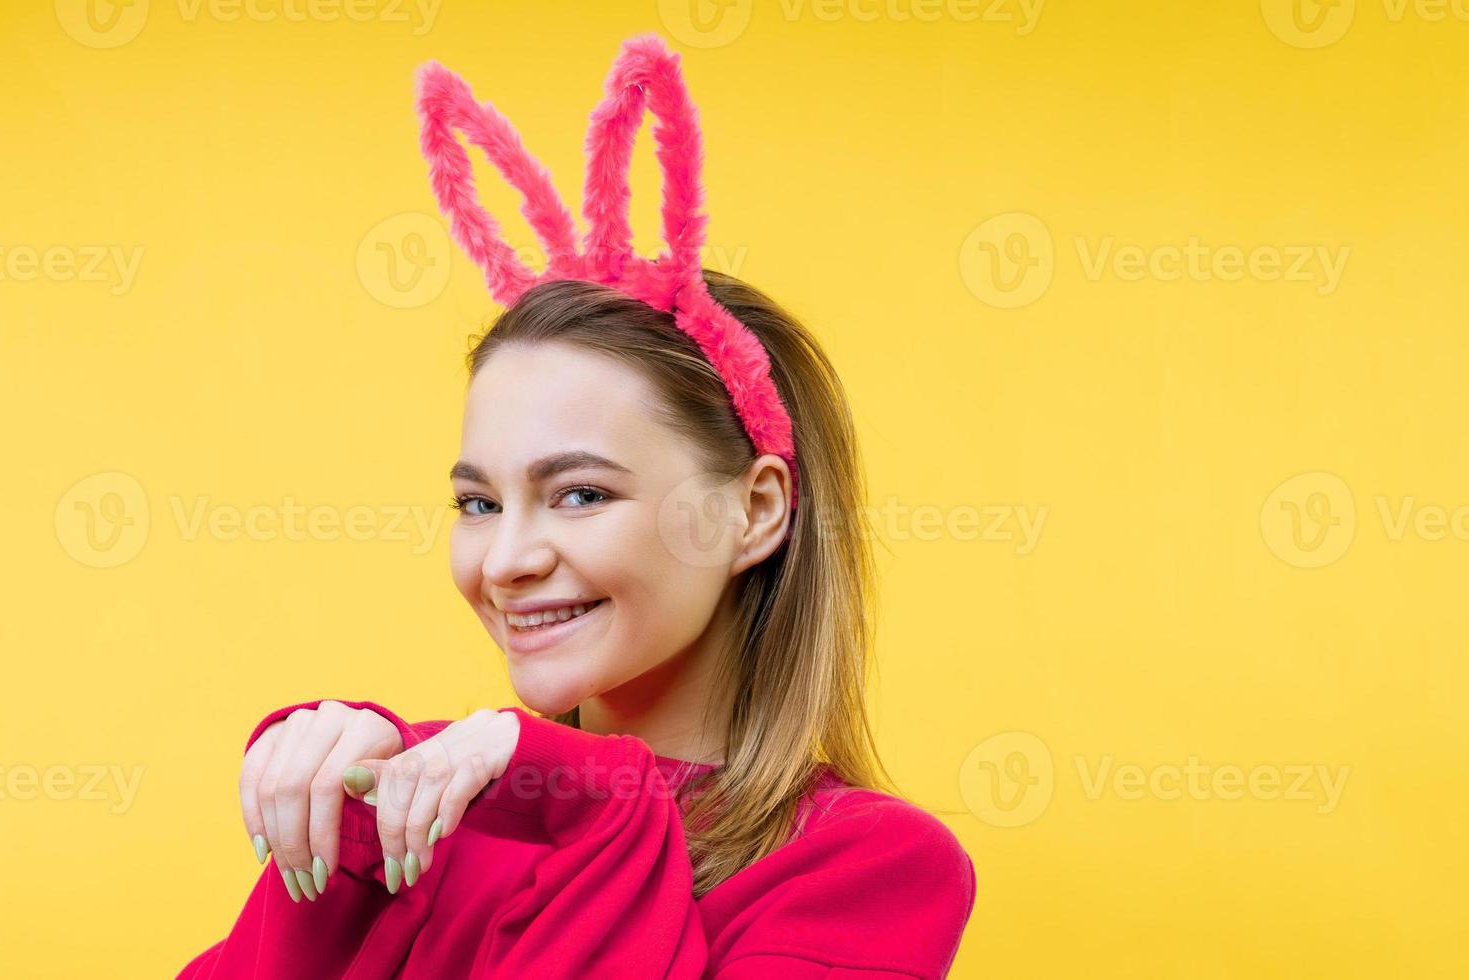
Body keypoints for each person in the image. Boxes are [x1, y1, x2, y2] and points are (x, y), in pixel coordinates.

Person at [180, 36, 975, 980]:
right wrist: (338, 833)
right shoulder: (428, 805)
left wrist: (566, 789)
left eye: (580, 494)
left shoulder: (867, 870)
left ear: (753, 512)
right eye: (477, 502)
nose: (506, 558)